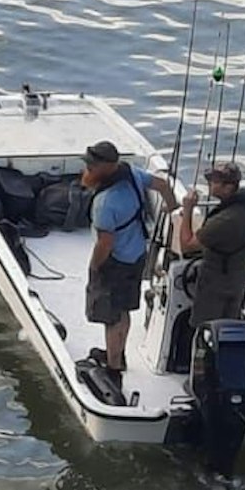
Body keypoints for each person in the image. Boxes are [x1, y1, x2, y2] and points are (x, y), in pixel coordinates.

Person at [79, 140, 177, 376]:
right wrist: (172, 209)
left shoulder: (105, 203)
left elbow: (105, 243)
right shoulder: (132, 173)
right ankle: (118, 353)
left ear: (107, 167)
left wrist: (94, 268)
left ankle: (113, 367)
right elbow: (163, 185)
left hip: (116, 263)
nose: (88, 170)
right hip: (137, 256)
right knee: (124, 311)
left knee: (110, 317)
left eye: (92, 166)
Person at [176, 162, 245, 322]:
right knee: (229, 323)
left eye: (214, 181)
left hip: (217, 287)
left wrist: (188, 209)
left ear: (228, 187)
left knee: (205, 327)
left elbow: (186, 246)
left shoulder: (225, 220)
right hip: (238, 281)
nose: (209, 183)